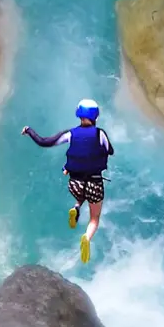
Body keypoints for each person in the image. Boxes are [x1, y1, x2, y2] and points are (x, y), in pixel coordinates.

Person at [21, 98, 114, 264]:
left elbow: (44, 142)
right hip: (94, 182)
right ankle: (86, 237)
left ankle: (76, 207)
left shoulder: (70, 134)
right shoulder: (100, 134)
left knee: (81, 193)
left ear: (79, 115)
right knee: (94, 218)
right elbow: (110, 150)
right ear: (95, 117)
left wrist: (29, 130)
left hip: (75, 183)